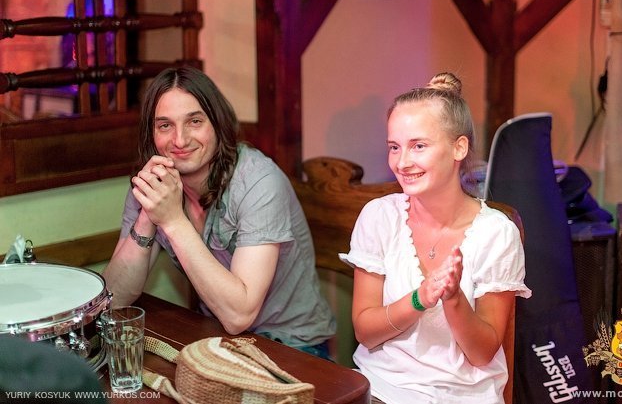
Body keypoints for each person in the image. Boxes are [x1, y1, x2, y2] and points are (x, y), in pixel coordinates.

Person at [103, 66, 335, 358]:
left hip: (294, 346)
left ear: (217, 123)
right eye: (165, 126)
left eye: (194, 121)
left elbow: (239, 316)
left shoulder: (259, 182)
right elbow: (114, 299)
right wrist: (149, 215)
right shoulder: (154, 184)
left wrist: (173, 220)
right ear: (152, 134)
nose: (180, 140)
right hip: (219, 338)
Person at [340, 72, 531, 403]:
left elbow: (482, 353)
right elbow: (365, 332)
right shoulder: (379, 216)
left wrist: (453, 298)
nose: (402, 162)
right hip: (379, 388)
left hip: (463, 396)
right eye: (394, 147)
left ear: (459, 147)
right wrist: (420, 298)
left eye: (418, 146)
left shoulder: (496, 233)